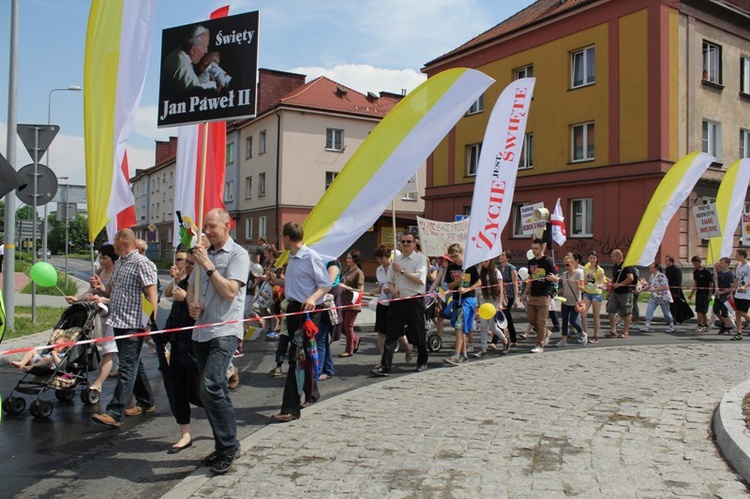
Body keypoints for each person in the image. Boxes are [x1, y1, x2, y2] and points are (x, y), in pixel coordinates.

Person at [186, 208, 250, 474]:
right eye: (205, 227)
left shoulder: (238, 255)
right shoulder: (204, 253)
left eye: (212, 227)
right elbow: (190, 287)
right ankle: (225, 445)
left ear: (227, 226)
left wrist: (208, 266)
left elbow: (229, 292)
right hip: (201, 330)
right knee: (215, 391)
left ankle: (228, 445)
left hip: (225, 331)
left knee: (210, 386)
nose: (207, 231)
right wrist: (191, 304)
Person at [90, 229, 158, 429]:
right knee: (135, 363)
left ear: (120, 241)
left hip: (132, 324)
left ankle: (114, 412)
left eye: (114, 242)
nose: (112, 246)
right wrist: (101, 287)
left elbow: (151, 295)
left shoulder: (142, 263)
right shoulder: (120, 263)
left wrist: (149, 322)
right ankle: (146, 402)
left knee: (127, 368)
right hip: (118, 321)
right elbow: (113, 289)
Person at [269, 222, 331, 422]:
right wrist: (274, 281)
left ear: (287, 237)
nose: (282, 240)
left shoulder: (310, 257)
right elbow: (294, 284)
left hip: (308, 312)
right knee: (302, 355)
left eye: (282, 236)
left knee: (297, 356)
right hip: (294, 309)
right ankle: (312, 393)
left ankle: (290, 409)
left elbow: (325, 285)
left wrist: (313, 298)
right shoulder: (293, 258)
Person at [65, 244, 119, 394]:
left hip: (115, 316)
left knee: (107, 350)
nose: (101, 260)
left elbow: (117, 297)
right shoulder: (99, 272)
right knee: (118, 352)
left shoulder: (117, 273)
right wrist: (76, 299)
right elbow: (90, 292)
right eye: (100, 257)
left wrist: (102, 299)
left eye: (105, 257)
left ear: (113, 259)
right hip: (99, 316)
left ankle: (99, 383)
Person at [371, 234, 429, 376]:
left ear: (414, 244)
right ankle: (386, 367)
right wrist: (392, 291)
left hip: (413, 299)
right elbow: (389, 281)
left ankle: (422, 362)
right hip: (397, 300)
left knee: (418, 332)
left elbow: (420, 280)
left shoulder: (420, 259)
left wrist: (402, 271)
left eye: (408, 241)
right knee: (391, 333)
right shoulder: (396, 261)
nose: (405, 244)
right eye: (403, 242)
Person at [163, 251, 199, 453]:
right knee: (178, 391)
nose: (184, 265)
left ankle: (220, 424)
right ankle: (185, 434)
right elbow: (169, 299)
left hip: (195, 345)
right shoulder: (182, 282)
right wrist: (164, 339)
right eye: (181, 261)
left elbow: (201, 312)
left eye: (188, 262)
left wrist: (186, 297)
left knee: (200, 393)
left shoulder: (201, 286)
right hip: (178, 344)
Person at [370, 246, 411, 368]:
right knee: (381, 331)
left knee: (396, 331)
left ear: (388, 257)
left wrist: (393, 288)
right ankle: (383, 358)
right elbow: (380, 286)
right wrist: (375, 291)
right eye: (378, 258)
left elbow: (403, 285)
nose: (380, 260)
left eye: (382, 257)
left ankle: (408, 346)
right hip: (383, 303)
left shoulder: (395, 267)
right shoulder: (379, 270)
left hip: (395, 302)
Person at [442, 244, 480, 365]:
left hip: (467, 300)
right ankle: (464, 354)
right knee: (460, 327)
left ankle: (456, 355)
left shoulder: (470, 267)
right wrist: (458, 280)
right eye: (452, 257)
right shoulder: (451, 267)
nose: (454, 259)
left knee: (459, 326)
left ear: (461, 253)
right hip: (456, 300)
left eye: (456, 256)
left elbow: (479, 282)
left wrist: (468, 289)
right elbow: (449, 286)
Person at [521, 239, 559, 353]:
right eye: (532, 248)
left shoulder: (547, 261)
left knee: (541, 321)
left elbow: (556, 278)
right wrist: (524, 293)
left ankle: (539, 344)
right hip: (533, 294)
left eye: (536, 248)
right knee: (531, 319)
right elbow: (531, 279)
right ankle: (546, 333)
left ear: (541, 248)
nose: (534, 250)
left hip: (544, 294)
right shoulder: (531, 262)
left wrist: (552, 278)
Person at [163, 25, 223, 93]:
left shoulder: (177, 54)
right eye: (204, 47)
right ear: (192, 49)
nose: (206, 51)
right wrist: (212, 84)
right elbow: (195, 94)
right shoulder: (183, 67)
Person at [475, 259, 506, 357]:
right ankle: (483, 348)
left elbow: (500, 290)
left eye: (486, 261)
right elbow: (478, 288)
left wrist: (500, 304)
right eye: (482, 262)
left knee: (493, 326)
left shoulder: (497, 273)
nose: (483, 263)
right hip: (484, 300)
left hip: (494, 301)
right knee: (483, 326)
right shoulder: (481, 273)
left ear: (490, 261)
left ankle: (505, 340)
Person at [338, 250, 364, 357]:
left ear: (354, 259)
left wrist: (347, 288)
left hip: (353, 303)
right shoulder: (346, 270)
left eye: (349, 258)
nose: (347, 260)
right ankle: (355, 339)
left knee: (348, 326)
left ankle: (349, 349)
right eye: (347, 258)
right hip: (343, 302)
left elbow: (360, 290)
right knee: (340, 326)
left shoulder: (358, 272)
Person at [556, 254, 586, 347]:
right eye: (564, 265)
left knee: (573, 321)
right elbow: (564, 287)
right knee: (564, 321)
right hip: (565, 300)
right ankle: (564, 340)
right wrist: (556, 292)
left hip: (575, 301)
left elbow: (583, 289)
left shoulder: (579, 273)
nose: (566, 267)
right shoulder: (564, 274)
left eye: (568, 265)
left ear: (573, 263)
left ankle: (582, 333)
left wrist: (578, 285)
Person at [639, 262, 676, 333]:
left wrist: (655, 289)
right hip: (654, 297)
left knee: (666, 313)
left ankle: (672, 326)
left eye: (651, 268)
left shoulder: (662, 276)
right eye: (650, 268)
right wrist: (640, 290)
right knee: (649, 310)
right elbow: (649, 285)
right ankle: (647, 326)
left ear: (656, 268)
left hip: (663, 297)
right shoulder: (652, 276)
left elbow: (665, 286)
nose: (650, 269)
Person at [605, 249, 634, 339]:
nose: (611, 258)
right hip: (615, 292)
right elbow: (614, 279)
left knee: (626, 313)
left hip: (625, 292)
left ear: (618, 256)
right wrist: (610, 291)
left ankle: (625, 332)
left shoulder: (626, 266)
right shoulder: (615, 267)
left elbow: (630, 278)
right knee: (610, 310)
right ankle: (613, 330)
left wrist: (620, 284)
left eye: (612, 256)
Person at [493, 250, 520, 348]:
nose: (501, 257)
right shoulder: (498, 268)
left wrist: (516, 299)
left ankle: (495, 341)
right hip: (501, 296)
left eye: (503, 255)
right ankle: (512, 339)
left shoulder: (511, 268)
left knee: (503, 316)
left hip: (509, 296)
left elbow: (515, 284)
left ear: (508, 258)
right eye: (500, 255)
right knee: (506, 317)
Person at [581, 250, 605, 343]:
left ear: (597, 259)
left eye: (594, 258)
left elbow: (601, 284)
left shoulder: (599, 270)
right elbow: (585, 280)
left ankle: (595, 336)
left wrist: (595, 284)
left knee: (596, 316)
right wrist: (584, 284)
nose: (592, 259)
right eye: (590, 257)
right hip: (587, 293)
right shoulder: (586, 269)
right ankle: (585, 334)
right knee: (583, 314)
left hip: (596, 294)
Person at [665, 255, 694, 325]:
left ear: (671, 261)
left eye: (667, 260)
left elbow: (678, 281)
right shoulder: (667, 269)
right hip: (669, 290)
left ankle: (677, 319)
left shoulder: (676, 269)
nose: (665, 262)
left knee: (677, 305)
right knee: (670, 306)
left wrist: (676, 292)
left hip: (676, 290)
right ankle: (671, 319)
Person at [688, 255, 713, 332]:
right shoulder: (695, 272)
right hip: (699, 292)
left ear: (699, 262)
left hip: (705, 293)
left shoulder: (707, 272)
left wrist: (710, 294)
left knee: (701, 311)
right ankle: (706, 325)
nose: (694, 265)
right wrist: (691, 294)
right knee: (700, 310)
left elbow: (711, 284)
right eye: (693, 264)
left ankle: (700, 325)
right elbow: (695, 284)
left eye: (696, 263)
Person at [731, 249, 750, 341]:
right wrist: (732, 291)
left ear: (742, 255)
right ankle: (739, 333)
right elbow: (737, 280)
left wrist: (745, 287)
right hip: (738, 294)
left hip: (747, 294)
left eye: (737, 255)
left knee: (743, 313)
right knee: (737, 313)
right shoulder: (738, 267)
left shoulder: (749, 266)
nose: (735, 256)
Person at [714, 257, 735, 335]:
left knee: (724, 312)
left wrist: (722, 293)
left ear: (727, 264)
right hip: (718, 294)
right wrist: (715, 279)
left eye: (722, 263)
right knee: (715, 310)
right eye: (720, 262)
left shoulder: (730, 274)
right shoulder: (719, 273)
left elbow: (731, 287)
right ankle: (723, 322)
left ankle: (727, 328)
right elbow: (716, 283)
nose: (720, 264)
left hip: (725, 295)